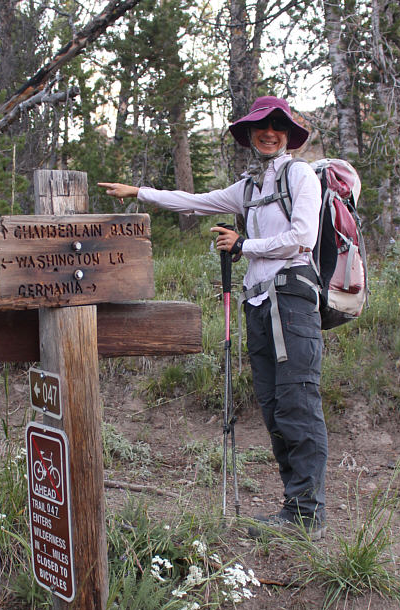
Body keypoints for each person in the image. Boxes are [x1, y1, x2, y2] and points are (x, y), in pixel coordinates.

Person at [99, 96, 327, 539]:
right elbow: (195, 200)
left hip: (293, 300)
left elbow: (303, 237)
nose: (269, 133)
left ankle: (308, 514)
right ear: (249, 136)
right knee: (275, 408)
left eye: (277, 127)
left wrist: (244, 247)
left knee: (299, 405)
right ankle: (295, 509)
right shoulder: (248, 188)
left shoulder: (300, 175)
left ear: (287, 135)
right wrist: (139, 193)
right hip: (259, 303)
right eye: (261, 127)